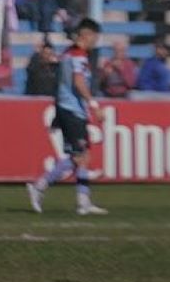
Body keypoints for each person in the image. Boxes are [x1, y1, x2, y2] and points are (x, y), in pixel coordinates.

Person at [27, 18, 109, 216]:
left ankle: (80, 200)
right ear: (86, 35)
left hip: (66, 108)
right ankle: (41, 186)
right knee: (80, 156)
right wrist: (94, 104)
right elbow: (79, 82)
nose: (95, 42)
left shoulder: (67, 53)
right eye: (94, 37)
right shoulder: (79, 56)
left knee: (80, 156)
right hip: (73, 110)